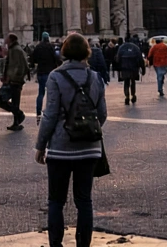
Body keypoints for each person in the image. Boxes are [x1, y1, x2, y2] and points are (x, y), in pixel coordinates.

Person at [35, 33, 108, 247]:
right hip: (90, 148)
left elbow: (50, 116)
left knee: (56, 201)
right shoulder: (95, 77)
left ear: (64, 51)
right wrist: (86, 129)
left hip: (61, 148)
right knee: (84, 200)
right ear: (87, 52)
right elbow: (102, 114)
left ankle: (56, 244)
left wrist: (40, 146)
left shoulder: (55, 77)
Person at [0, 33, 29, 131]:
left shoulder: (16, 50)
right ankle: (17, 117)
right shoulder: (12, 49)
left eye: (7, 38)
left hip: (15, 81)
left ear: (11, 40)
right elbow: (10, 65)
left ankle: (18, 118)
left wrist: (13, 77)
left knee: (6, 100)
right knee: (8, 101)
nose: (5, 39)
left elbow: (21, 66)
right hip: (11, 80)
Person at [29, 33, 61, 117]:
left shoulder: (38, 47)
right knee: (51, 93)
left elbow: (33, 59)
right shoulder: (51, 47)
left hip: (41, 72)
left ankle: (38, 111)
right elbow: (56, 58)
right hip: (50, 72)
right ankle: (49, 110)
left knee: (41, 93)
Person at [116, 37, 144, 105]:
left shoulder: (121, 47)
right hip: (134, 68)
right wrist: (142, 68)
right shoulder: (135, 47)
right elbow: (140, 58)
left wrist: (118, 67)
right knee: (133, 81)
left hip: (124, 68)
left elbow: (118, 59)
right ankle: (133, 95)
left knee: (126, 82)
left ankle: (127, 96)